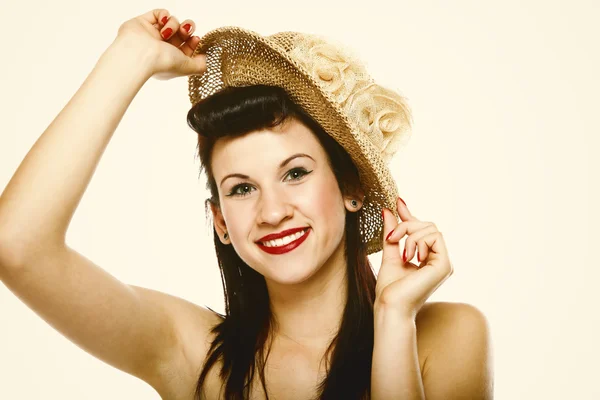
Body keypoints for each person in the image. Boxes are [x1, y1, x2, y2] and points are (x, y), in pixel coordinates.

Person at [0, 8, 493, 400]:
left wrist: (392, 316)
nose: (272, 211)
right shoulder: (190, 353)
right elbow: (16, 244)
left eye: (295, 173)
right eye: (241, 188)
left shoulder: (448, 338)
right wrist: (129, 57)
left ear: (352, 189)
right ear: (219, 221)